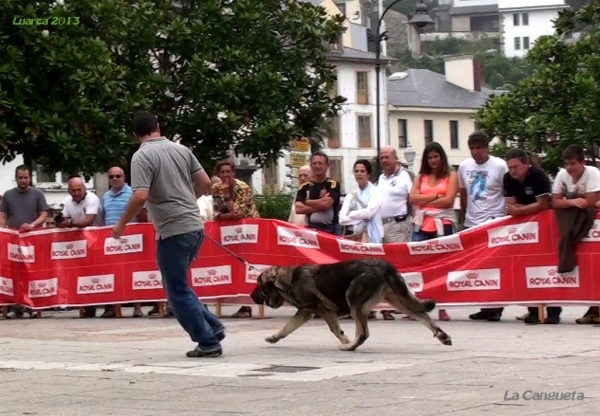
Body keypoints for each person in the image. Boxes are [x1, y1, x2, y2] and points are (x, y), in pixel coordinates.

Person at [112, 111, 225, 358]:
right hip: (195, 225)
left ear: (135, 135)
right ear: (158, 126)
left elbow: (140, 195)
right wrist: (186, 200)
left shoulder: (141, 156)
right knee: (181, 286)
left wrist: (121, 225)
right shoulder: (181, 150)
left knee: (175, 293)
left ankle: (207, 341)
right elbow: (205, 183)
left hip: (172, 231)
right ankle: (214, 328)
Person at [502, 149, 558, 324]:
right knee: (525, 268)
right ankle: (533, 310)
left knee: (548, 268)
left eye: (516, 167)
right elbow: (510, 206)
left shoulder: (538, 175)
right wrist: (522, 210)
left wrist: (520, 210)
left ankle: (554, 311)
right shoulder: (507, 178)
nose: (513, 171)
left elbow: (543, 205)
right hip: (524, 229)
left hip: (544, 226)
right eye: (510, 167)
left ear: (527, 164)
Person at [458, 132, 509, 322]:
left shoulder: (499, 166)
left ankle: (496, 306)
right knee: (478, 267)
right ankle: (484, 305)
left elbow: (507, 192)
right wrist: (463, 219)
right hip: (473, 221)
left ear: (487, 148)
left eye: (479, 147)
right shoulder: (464, 166)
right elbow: (463, 194)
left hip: (493, 220)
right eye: (472, 148)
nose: (476, 152)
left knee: (494, 265)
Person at [551, 145, 600, 325]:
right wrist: (571, 201)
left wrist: (565, 202)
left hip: (591, 225)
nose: (570, 168)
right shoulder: (561, 175)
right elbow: (553, 203)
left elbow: (590, 202)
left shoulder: (593, 173)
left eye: (573, 164)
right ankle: (593, 309)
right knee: (587, 266)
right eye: (566, 164)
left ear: (582, 162)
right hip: (578, 225)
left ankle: (595, 309)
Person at [409, 142, 458, 322]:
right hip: (422, 224)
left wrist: (425, 201)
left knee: (443, 265)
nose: (433, 160)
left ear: (442, 157)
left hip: (442, 223)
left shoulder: (451, 175)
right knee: (418, 265)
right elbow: (412, 199)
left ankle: (443, 307)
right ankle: (417, 305)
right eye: (429, 157)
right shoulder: (421, 176)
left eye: (436, 156)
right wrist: (436, 196)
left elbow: (449, 201)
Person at [295, 151, 341, 235]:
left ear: (327, 166)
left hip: (330, 230)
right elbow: (298, 209)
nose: (317, 166)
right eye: (314, 163)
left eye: (320, 163)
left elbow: (325, 204)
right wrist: (320, 204)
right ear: (311, 166)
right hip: (311, 229)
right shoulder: (305, 187)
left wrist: (306, 201)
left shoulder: (333, 184)